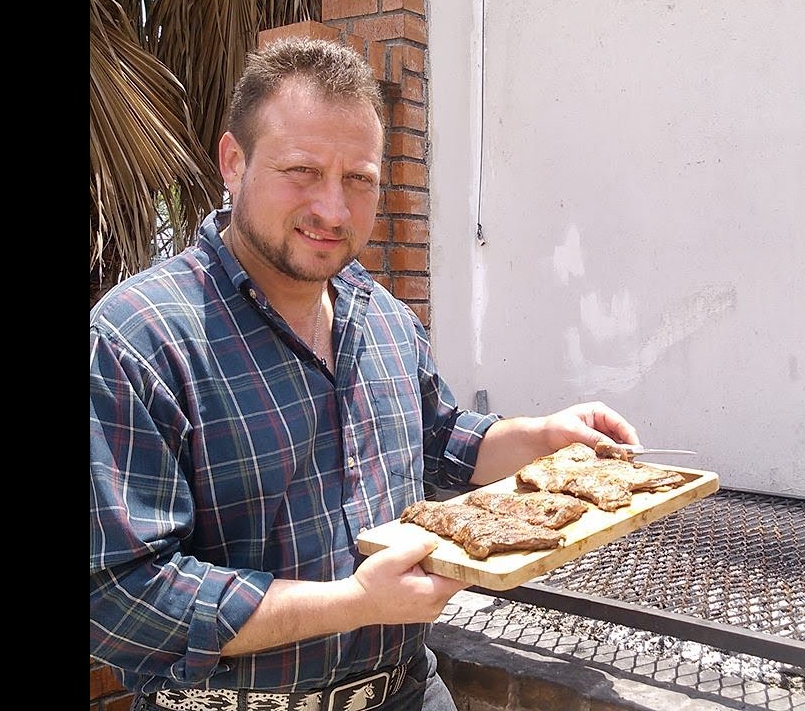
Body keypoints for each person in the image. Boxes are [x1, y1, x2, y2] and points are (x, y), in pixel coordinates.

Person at [90, 37, 640, 711]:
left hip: (410, 692)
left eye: (360, 179)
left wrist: (542, 438)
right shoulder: (137, 338)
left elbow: (438, 441)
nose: (334, 209)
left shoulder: (383, 316)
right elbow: (120, 596)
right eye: (302, 171)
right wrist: (351, 604)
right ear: (234, 162)